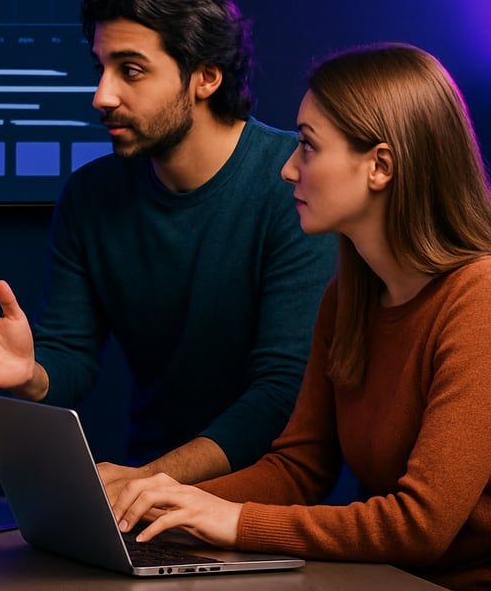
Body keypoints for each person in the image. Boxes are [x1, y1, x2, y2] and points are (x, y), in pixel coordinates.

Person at [0, 0, 335, 497]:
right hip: (147, 495)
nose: (102, 95)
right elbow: (71, 355)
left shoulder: (295, 183)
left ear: (206, 77)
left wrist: (149, 478)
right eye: (101, 67)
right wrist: (31, 372)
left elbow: (281, 393)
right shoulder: (90, 196)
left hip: (273, 495)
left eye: (131, 70)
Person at [110, 44, 491, 591]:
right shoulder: (346, 299)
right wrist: (160, 500)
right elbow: (299, 469)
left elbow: (422, 525)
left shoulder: (478, 300)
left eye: (308, 148)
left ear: (380, 166)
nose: (288, 169)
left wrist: (234, 521)